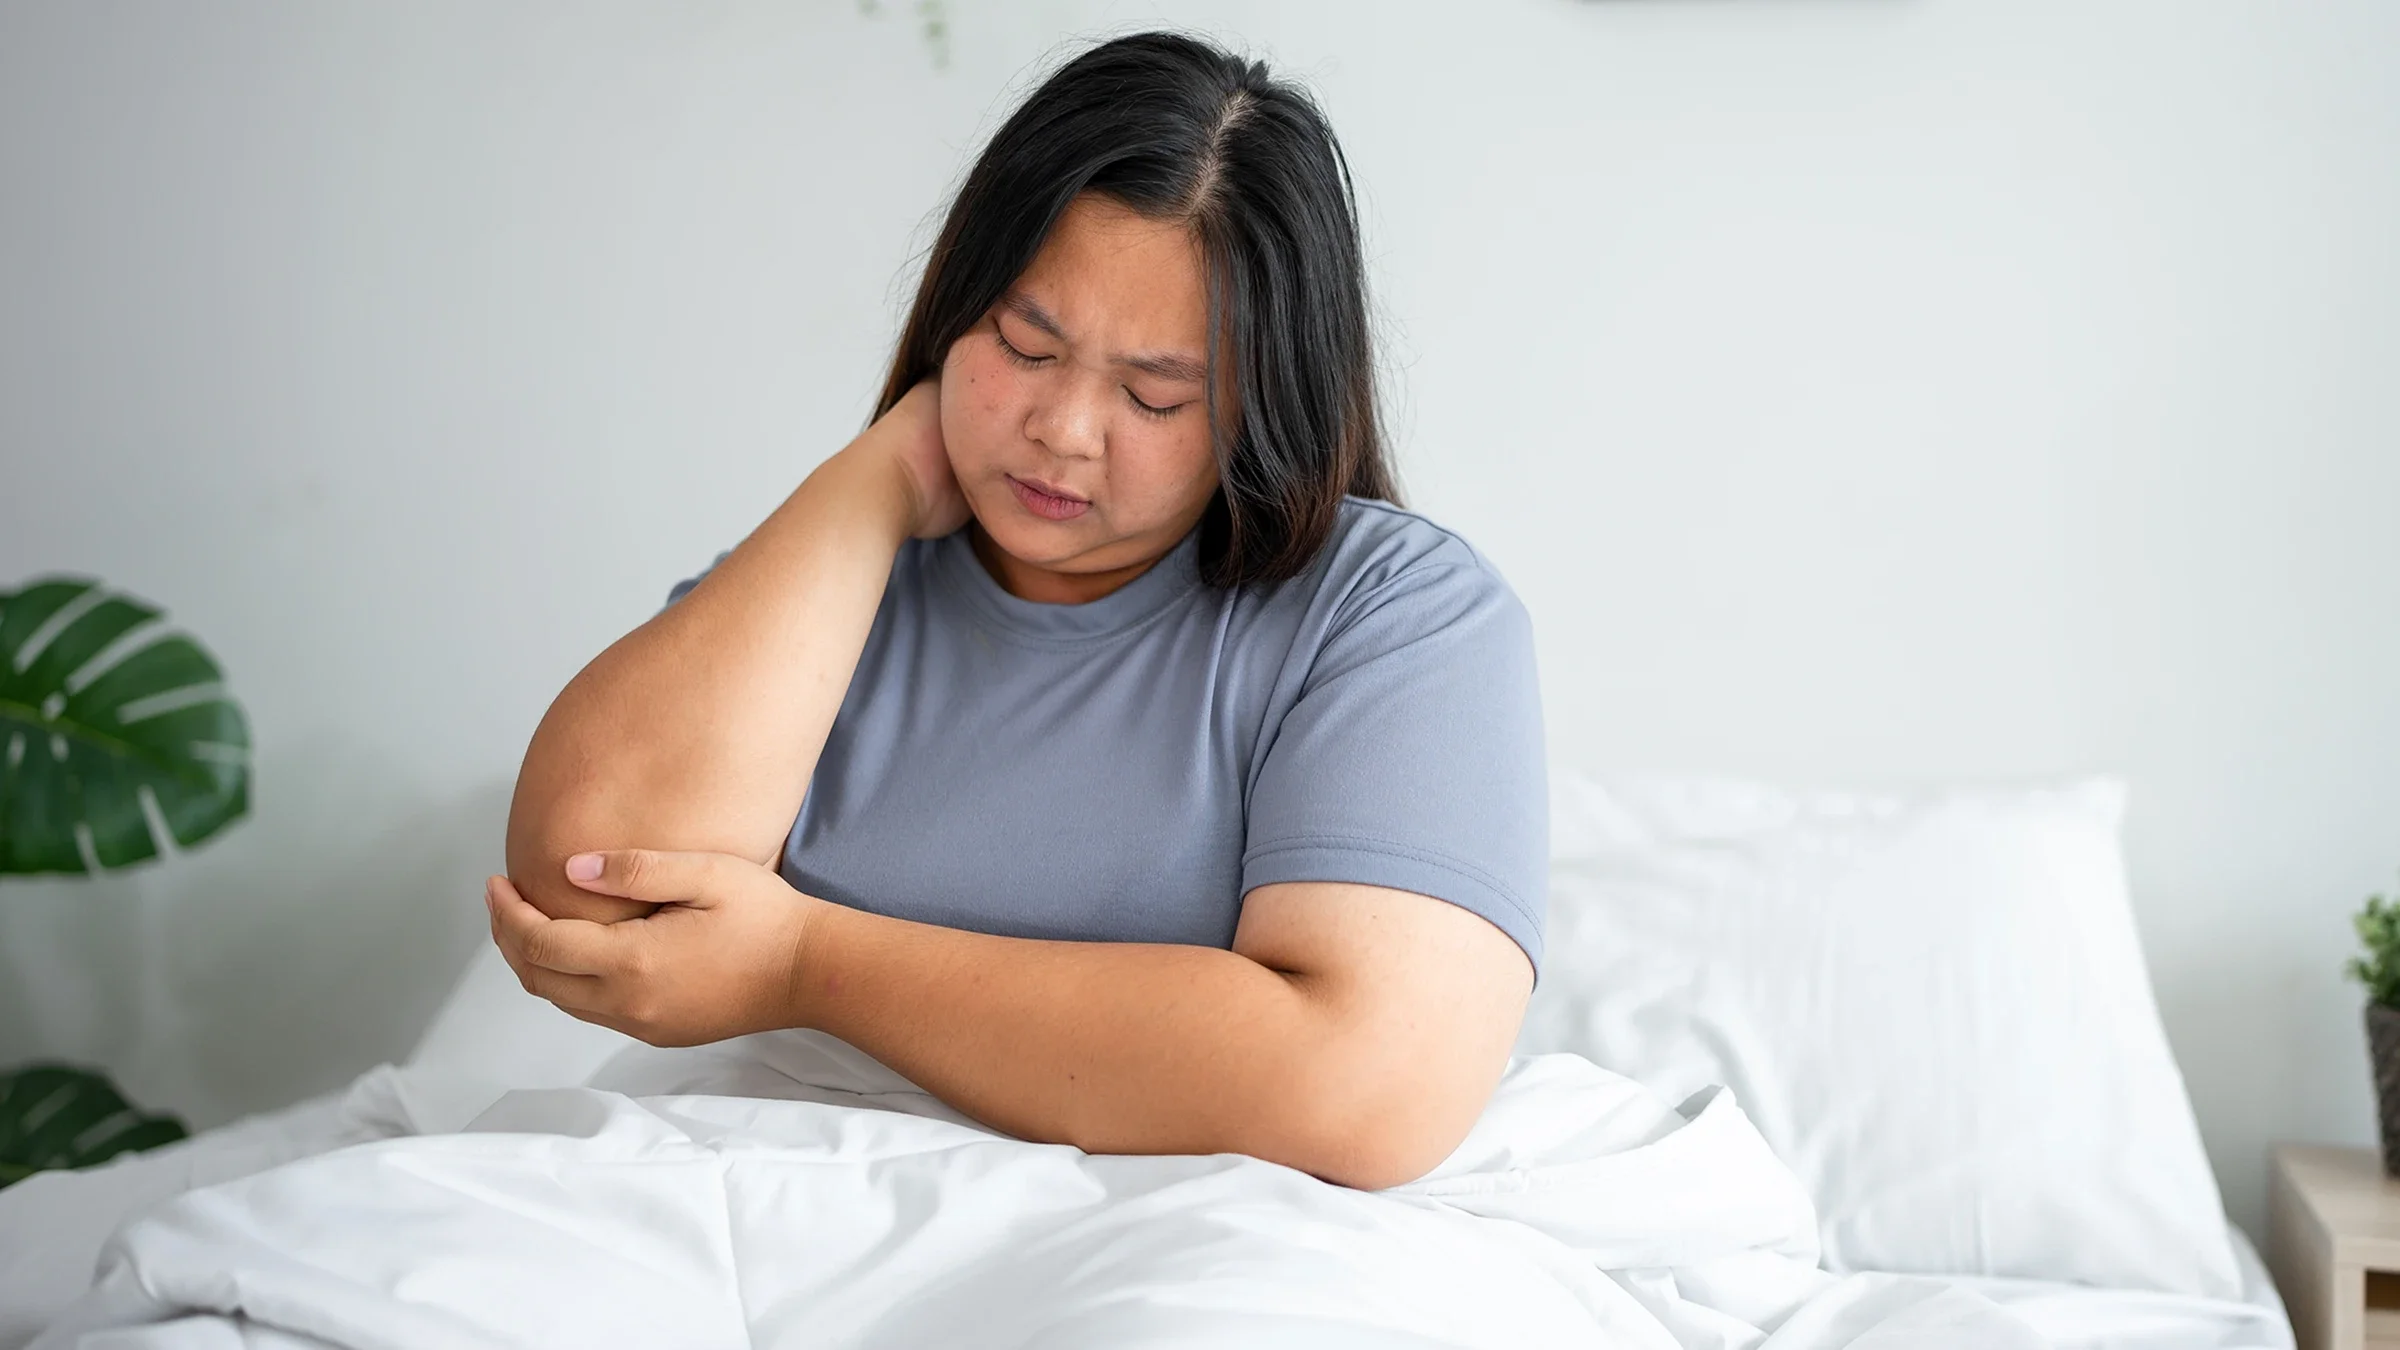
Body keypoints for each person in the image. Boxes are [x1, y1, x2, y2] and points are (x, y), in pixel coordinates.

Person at [487, 30, 1547, 1193]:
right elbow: (587, 890)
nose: (1064, 428)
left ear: (1266, 405)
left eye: (1155, 395)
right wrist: (875, 482)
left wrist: (805, 962)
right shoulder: (839, 578)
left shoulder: (1392, 614)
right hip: (761, 1189)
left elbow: (1362, 1086)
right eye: (1023, 344)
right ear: (955, 310)